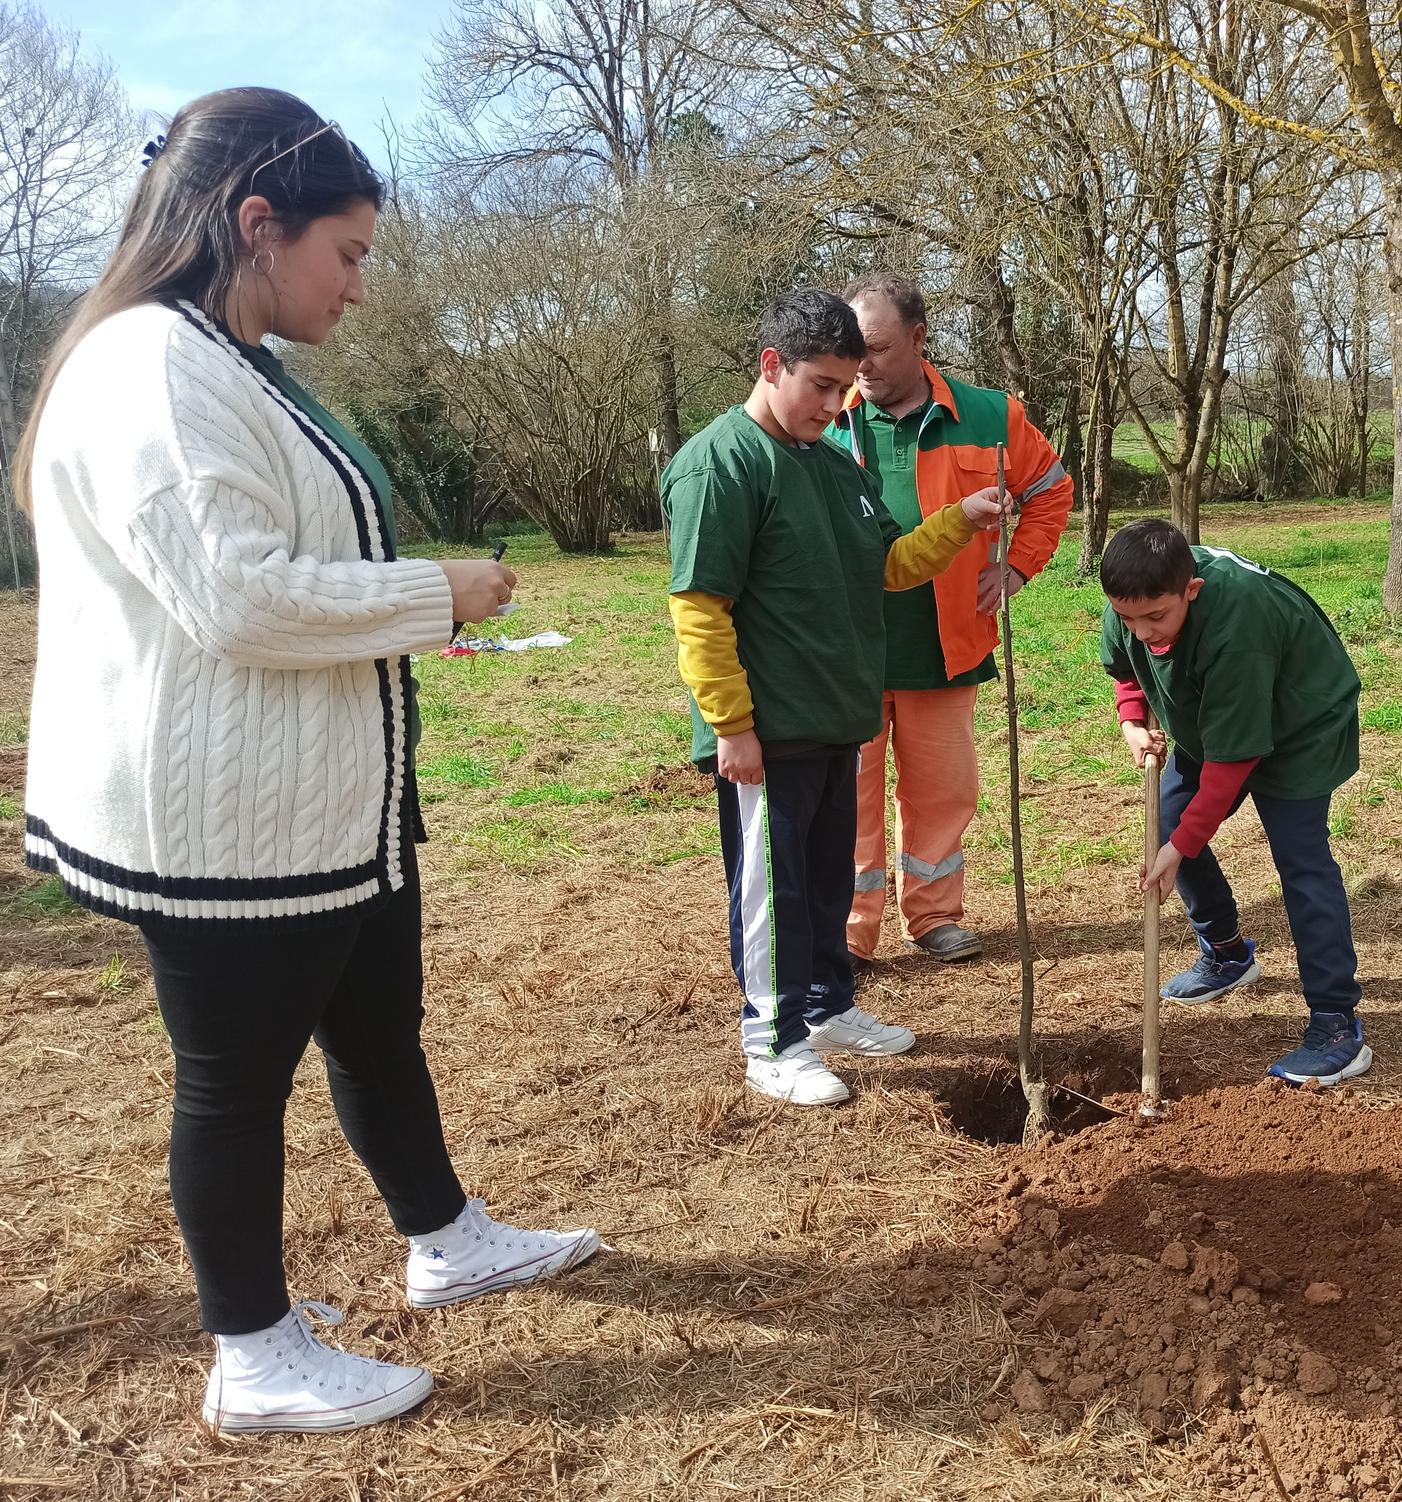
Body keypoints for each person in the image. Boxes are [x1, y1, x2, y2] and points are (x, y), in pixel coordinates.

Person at [15, 89, 600, 1436]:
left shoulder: (224, 360)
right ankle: (254, 1352)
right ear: (254, 223)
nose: (357, 287)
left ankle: (446, 1236)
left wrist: (395, 614)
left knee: (378, 1032)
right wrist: (434, 592)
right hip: (226, 827)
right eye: (348, 254)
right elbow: (242, 598)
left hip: (326, 804)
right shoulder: (149, 367)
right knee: (231, 1081)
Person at [663, 291, 1008, 1107]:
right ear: (770, 366)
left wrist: (958, 519)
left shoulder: (829, 462)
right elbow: (700, 609)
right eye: (820, 385)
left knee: (822, 879)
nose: (836, 404)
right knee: (774, 887)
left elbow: (886, 566)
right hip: (768, 730)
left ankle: (826, 1007)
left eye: (846, 386)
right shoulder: (722, 467)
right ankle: (772, 1040)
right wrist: (731, 727)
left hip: (832, 719)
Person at [830, 273, 1073, 965]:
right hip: (848, 652)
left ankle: (934, 917)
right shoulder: (824, 417)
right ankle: (850, 934)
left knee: (943, 792)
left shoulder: (992, 415)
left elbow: (1052, 491)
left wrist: (1019, 565)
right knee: (847, 798)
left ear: (918, 337)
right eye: (853, 348)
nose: (862, 364)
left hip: (947, 644)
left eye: (875, 347)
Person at [1098, 519, 1373, 1084]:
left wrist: (1182, 846)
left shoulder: (1237, 622)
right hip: (1215, 718)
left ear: (1191, 591)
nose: (1142, 629)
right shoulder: (1133, 592)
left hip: (1300, 723)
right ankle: (1228, 954)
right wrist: (1132, 722)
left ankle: (1336, 1022)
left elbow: (1233, 762)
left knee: (1301, 862)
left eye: (1156, 618)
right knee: (1170, 824)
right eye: (1128, 618)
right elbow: (1128, 667)